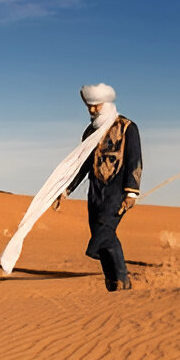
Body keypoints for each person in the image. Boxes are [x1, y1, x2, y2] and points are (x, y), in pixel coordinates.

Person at [56, 84, 142, 292]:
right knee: (101, 232)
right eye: (90, 107)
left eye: (97, 106)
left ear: (108, 103)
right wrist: (66, 189)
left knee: (104, 231)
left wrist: (131, 192)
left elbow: (134, 160)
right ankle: (114, 281)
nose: (93, 110)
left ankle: (118, 275)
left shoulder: (127, 127)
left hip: (117, 190)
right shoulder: (89, 132)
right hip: (95, 192)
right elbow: (83, 165)